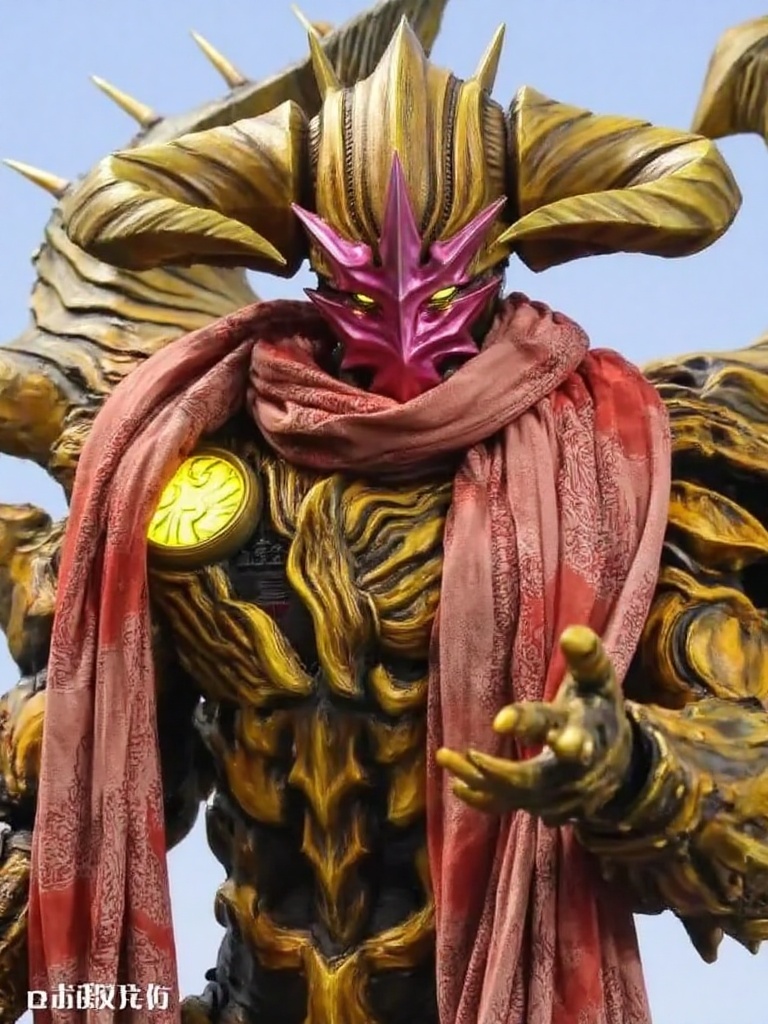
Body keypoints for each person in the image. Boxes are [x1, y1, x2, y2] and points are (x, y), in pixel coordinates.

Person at [2, 7, 768, 1024]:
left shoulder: (608, 478)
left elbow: (746, 773)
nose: (406, 324)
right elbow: (77, 778)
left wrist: (638, 773)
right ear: (310, 256)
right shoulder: (185, 464)